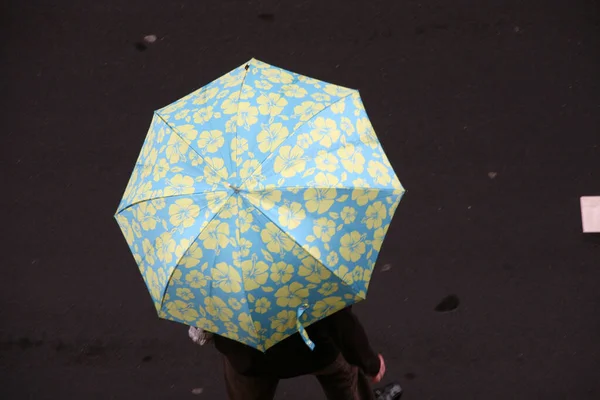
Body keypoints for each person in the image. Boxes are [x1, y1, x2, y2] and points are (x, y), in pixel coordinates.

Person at [190, 306, 394, 400]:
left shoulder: (213, 257)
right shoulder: (308, 248)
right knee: (345, 378)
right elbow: (339, 319)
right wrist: (371, 364)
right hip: (314, 349)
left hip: (250, 356)